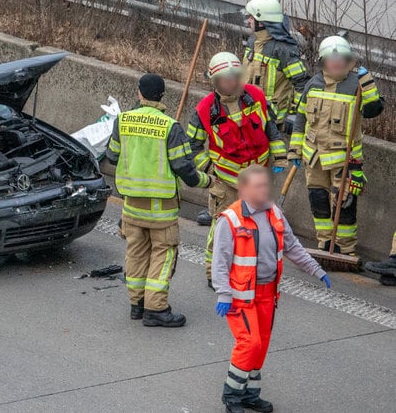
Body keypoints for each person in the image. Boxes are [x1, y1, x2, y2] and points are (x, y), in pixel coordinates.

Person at [212, 165, 329, 413]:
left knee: (261, 344)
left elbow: (292, 246)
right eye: (258, 186)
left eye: (265, 185)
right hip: (240, 297)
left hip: (267, 293)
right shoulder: (230, 220)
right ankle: (232, 396)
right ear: (243, 189)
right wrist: (223, 293)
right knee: (250, 343)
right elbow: (219, 262)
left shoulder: (274, 212)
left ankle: (250, 394)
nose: (264, 190)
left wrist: (315, 269)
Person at [106, 73, 211, 327]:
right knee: (163, 256)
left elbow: (111, 156)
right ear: (162, 96)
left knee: (136, 253)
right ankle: (156, 308)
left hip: (131, 205)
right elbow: (185, 169)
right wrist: (207, 181)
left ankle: (137, 305)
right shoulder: (170, 127)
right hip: (161, 210)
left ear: (139, 93)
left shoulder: (123, 121)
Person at [188, 52, 287, 287]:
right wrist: (210, 170)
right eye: (226, 78)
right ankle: (214, 274)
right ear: (215, 81)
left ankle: (250, 272)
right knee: (222, 230)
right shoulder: (204, 110)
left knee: (257, 229)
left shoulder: (257, 97)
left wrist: (280, 157)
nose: (231, 82)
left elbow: (272, 129)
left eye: (235, 77)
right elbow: (193, 147)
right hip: (226, 181)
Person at [288, 36, 385, 255]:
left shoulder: (355, 85)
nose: (336, 63)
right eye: (331, 59)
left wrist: (368, 85)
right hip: (314, 158)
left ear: (348, 60)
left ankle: (345, 248)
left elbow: (373, 111)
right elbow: (301, 118)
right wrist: (295, 150)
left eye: (341, 59)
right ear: (323, 61)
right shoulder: (313, 84)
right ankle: (324, 242)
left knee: (345, 203)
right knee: (318, 200)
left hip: (345, 160)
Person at [243, 0, 310, 133]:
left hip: (272, 119)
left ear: (262, 22)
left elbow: (301, 83)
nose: (248, 20)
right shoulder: (253, 41)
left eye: (252, 17)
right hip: (248, 113)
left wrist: (296, 114)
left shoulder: (284, 49)